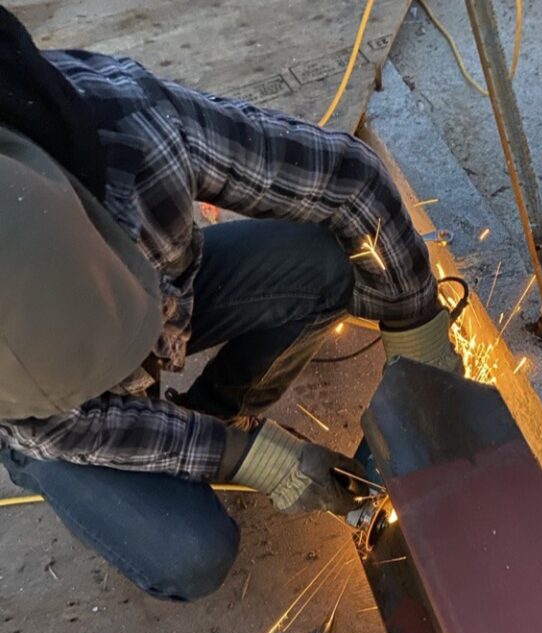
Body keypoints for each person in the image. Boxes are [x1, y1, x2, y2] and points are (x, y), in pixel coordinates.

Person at [0, 7, 460, 601]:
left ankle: (216, 411)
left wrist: (416, 324)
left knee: (325, 263)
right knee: (191, 553)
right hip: (38, 418)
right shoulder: (27, 396)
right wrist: (250, 459)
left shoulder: (138, 137)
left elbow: (349, 180)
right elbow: (64, 428)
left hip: (130, 257)